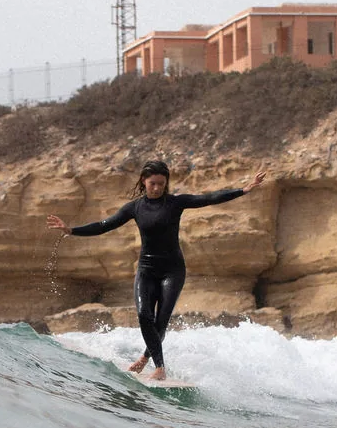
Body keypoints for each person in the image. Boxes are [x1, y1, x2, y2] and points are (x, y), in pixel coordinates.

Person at [47, 160, 267, 381]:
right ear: (144, 181)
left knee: (161, 320)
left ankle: (152, 364)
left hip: (173, 271)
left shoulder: (175, 203)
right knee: (144, 315)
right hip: (147, 269)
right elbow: (104, 225)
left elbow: (208, 198)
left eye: (162, 184)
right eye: (153, 183)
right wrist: (70, 230)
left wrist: (244, 189)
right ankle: (157, 366)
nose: (157, 188)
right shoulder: (134, 208)